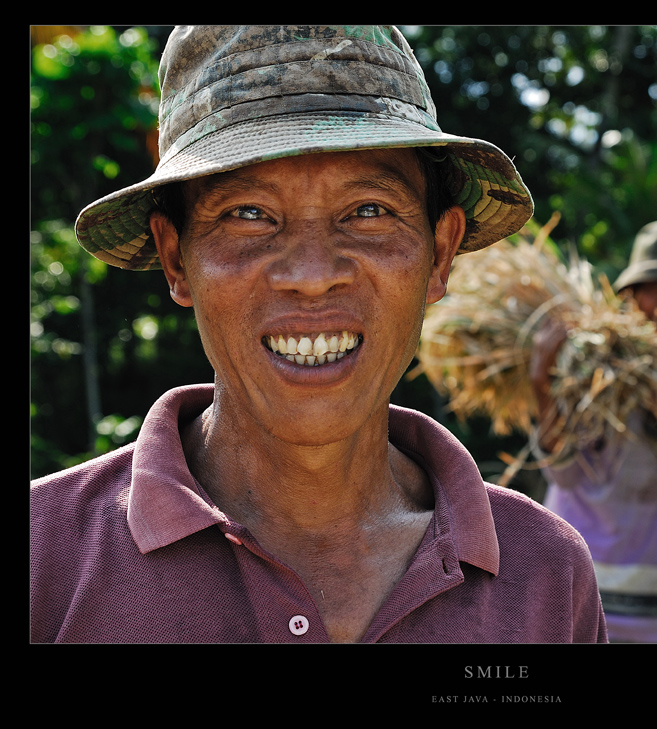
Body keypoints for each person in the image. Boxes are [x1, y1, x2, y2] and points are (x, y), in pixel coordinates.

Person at [30, 25, 607, 644]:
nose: (311, 277)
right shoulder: (44, 563)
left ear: (439, 255)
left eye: (368, 212)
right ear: (177, 260)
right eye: (248, 215)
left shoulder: (544, 572)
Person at [529, 220, 657, 643]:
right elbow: (565, 473)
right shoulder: (589, 366)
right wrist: (541, 386)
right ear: (632, 294)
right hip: (582, 572)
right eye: (655, 287)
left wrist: (654, 392)